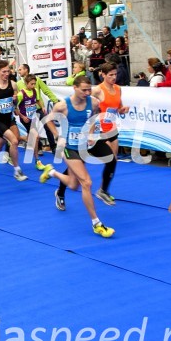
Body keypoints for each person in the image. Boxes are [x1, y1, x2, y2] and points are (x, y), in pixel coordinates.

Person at [36, 77, 116, 238]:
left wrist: (92, 132)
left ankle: (51, 172)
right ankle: (97, 224)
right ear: (75, 88)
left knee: (73, 185)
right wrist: (58, 135)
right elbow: (47, 120)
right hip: (69, 147)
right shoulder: (63, 105)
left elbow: (95, 116)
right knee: (86, 182)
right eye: (84, 90)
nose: (87, 93)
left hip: (84, 145)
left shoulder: (92, 102)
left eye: (89, 90)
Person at [90, 62, 130, 205]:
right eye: (111, 75)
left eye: (115, 74)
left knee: (113, 161)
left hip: (112, 128)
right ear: (103, 75)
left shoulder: (118, 89)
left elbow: (117, 107)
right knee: (109, 160)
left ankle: (103, 190)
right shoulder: (97, 90)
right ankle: (62, 188)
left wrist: (122, 109)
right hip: (99, 130)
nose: (114, 77)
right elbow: (84, 105)